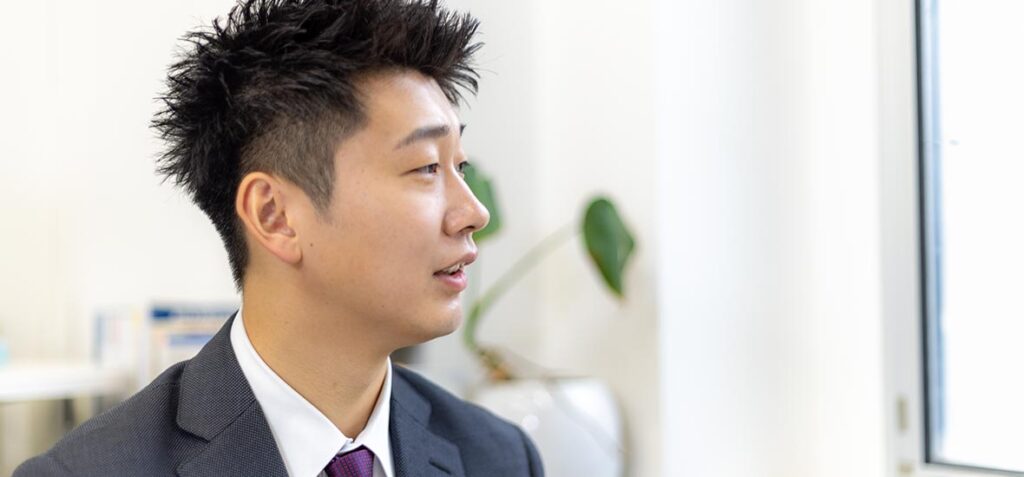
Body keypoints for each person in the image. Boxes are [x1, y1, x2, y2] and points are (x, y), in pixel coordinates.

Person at [14, 0, 544, 475]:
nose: (473, 213)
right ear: (274, 215)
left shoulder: (499, 457)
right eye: (426, 167)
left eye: (459, 166)